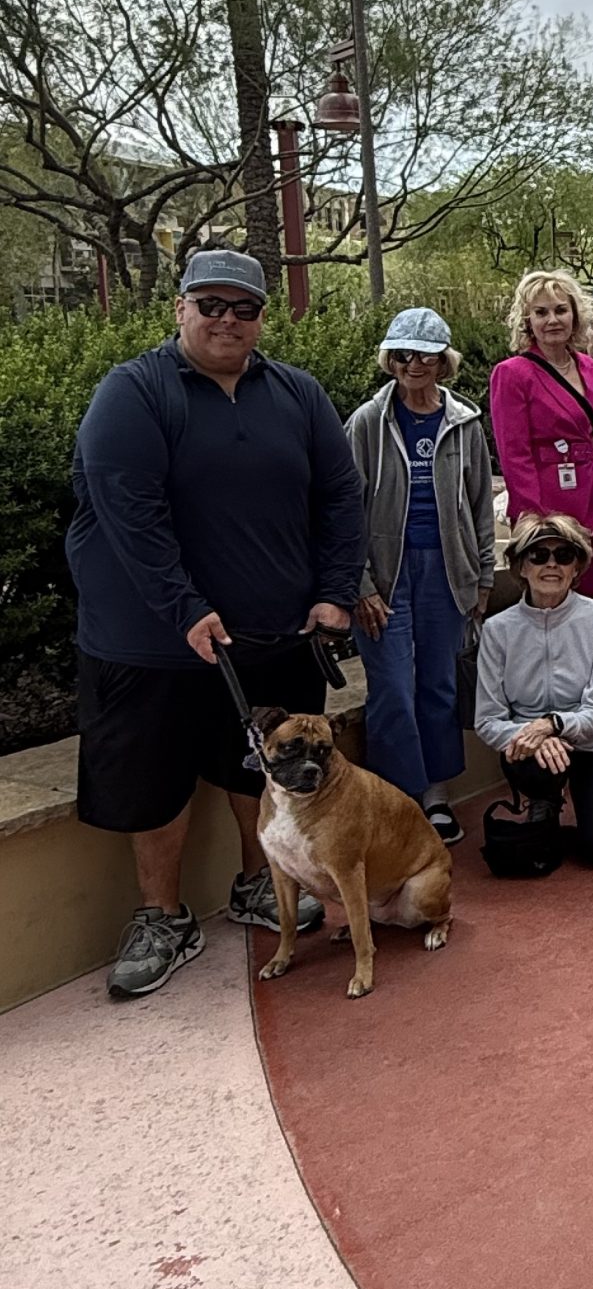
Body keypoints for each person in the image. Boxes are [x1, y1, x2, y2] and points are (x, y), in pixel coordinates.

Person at [65, 248, 365, 999]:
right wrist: (185, 607)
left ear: (263, 317)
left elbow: (340, 495)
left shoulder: (296, 393)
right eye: (211, 305)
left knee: (260, 768)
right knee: (153, 784)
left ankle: (257, 883)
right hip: (152, 640)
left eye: (245, 309)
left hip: (274, 632)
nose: (228, 321)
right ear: (180, 309)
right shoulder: (133, 392)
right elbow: (130, 514)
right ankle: (161, 916)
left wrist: (333, 591)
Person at [346, 307, 494, 846]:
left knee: (436, 686)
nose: (413, 364)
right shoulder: (367, 422)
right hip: (387, 576)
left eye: (424, 355)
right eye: (403, 355)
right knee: (391, 690)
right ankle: (396, 799)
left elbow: (480, 504)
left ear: (442, 361)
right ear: (391, 360)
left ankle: (434, 795)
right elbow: (345, 510)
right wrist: (359, 585)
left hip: (447, 572)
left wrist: (482, 575)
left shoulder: (464, 420)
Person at [474, 511, 593, 866]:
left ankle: (583, 799)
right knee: (531, 760)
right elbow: (488, 719)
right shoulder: (497, 630)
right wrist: (535, 735)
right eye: (538, 555)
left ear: (577, 567)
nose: (551, 564)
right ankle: (543, 798)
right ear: (520, 566)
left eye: (564, 556)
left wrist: (552, 725)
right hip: (531, 748)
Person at [490, 269, 593, 599]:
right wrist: (533, 516)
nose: (552, 319)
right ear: (527, 320)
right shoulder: (512, 374)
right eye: (541, 312)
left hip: (591, 495)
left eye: (560, 310)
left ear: (575, 315)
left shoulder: (588, 366)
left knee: (591, 598)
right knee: (550, 599)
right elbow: (514, 452)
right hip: (548, 501)